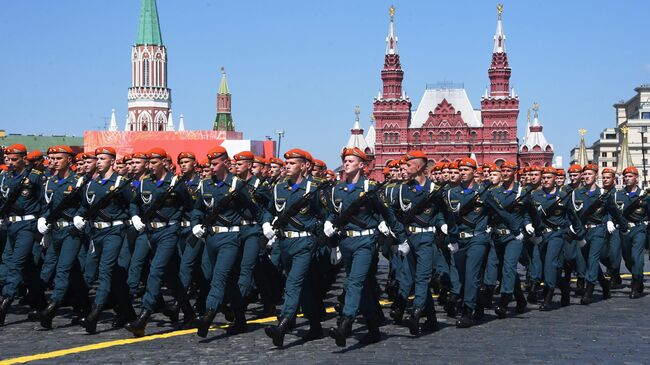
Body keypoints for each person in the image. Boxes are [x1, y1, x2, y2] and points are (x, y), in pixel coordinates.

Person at [326, 147, 407, 346]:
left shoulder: (371, 188)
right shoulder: (337, 189)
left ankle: (345, 323)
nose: (346, 163)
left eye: (351, 161)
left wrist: (402, 239)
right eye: (345, 160)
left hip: (366, 241)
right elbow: (334, 213)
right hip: (346, 241)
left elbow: (388, 214)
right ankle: (373, 328)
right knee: (363, 288)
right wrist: (329, 225)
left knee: (354, 281)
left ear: (362, 165)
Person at [125, 148, 195, 337]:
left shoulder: (176, 183)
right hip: (150, 233)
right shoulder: (144, 182)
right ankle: (189, 313)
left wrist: (186, 225)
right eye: (148, 162)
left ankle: (143, 317)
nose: (150, 166)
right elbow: (134, 203)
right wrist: (135, 217)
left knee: (155, 271)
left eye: (154, 162)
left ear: (164, 162)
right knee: (171, 276)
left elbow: (191, 205)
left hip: (169, 232)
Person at [262, 149, 326, 347]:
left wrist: (320, 233)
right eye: (286, 163)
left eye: (292, 163)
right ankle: (316, 326)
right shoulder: (279, 187)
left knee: (293, 283)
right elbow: (269, 210)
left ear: (304, 166)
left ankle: (283, 324)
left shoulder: (314, 188)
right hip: (284, 243)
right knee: (303, 286)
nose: (287, 166)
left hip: (304, 243)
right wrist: (266, 223)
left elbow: (325, 214)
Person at [73, 147, 134, 334]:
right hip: (96, 233)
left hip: (114, 231)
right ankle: (128, 313)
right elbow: (84, 206)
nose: (98, 161)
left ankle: (95, 314)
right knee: (111, 274)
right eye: (97, 158)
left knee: (105, 270)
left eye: (102, 158)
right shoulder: (91, 184)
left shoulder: (121, 182)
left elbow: (132, 204)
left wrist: (135, 218)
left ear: (112, 161)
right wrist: (79, 216)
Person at [30, 146, 88, 329]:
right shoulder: (50, 181)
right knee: (69, 271)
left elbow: (88, 204)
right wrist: (43, 219)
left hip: (72, 231)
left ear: (69, 160)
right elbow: (46, 205)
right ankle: (85, 306)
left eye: (58, 158)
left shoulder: (79, 181)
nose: (53, 161)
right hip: (55, 231)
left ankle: (51, 309)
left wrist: (80, 215)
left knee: (62, 269)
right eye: (51, 158)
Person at [0, 144, 46, 325]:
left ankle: (5, 300)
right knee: (27, 267)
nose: (10, 163)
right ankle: (40, 301)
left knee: (16, 263)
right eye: (8, 159)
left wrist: (43, 222)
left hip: (28, 225)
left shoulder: (34, 177)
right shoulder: (5, 178)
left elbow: (44, 201)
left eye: (14, 160)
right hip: (10, 225)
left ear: (23, 159)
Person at [612, 166, 648, 299]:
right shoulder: (618, 195)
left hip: (639, 229)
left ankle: (636, 284)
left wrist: (646, 223)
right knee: (627, 259)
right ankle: (637, 277)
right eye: (625, 176)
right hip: (624, 230)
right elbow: (613, 211)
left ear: (636, 178)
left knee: (636, 257)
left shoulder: (644, 195)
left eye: (630, 176)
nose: (627, 179)